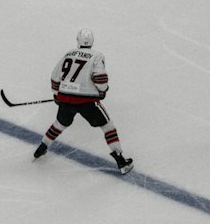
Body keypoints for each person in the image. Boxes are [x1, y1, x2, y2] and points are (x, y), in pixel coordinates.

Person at [33, 28, 134, 173]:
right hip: (87, 102)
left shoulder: (69, 53)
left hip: (66, 98)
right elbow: (100, 78)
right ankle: (121, 161)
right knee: (108, 127)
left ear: (77, 40)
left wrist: (57, 94)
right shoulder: (97, 56)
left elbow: (55, 77)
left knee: (59, 124)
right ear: (92, 41)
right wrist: (102, 90)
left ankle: (42, 147)